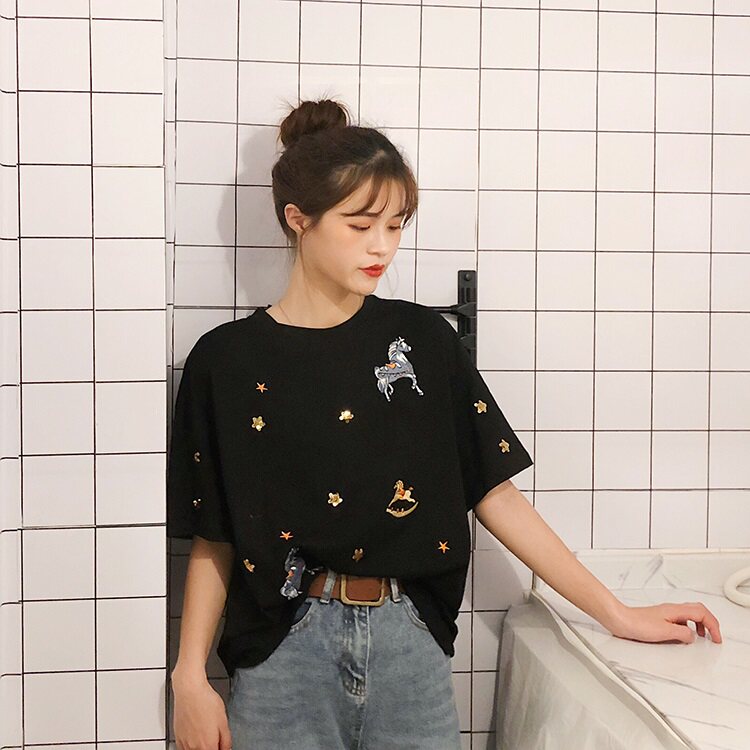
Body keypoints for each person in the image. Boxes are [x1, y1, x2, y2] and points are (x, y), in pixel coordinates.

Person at [167, 98, 723, 750]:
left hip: (408, 642)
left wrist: (618, 614)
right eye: (359, 224)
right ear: (299, 219)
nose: (382, 246)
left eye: (396, 224)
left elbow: (494, 493)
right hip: (280, 650)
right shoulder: (227, 362)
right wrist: (189, 676)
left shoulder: (422, 342)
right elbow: (214, 535)